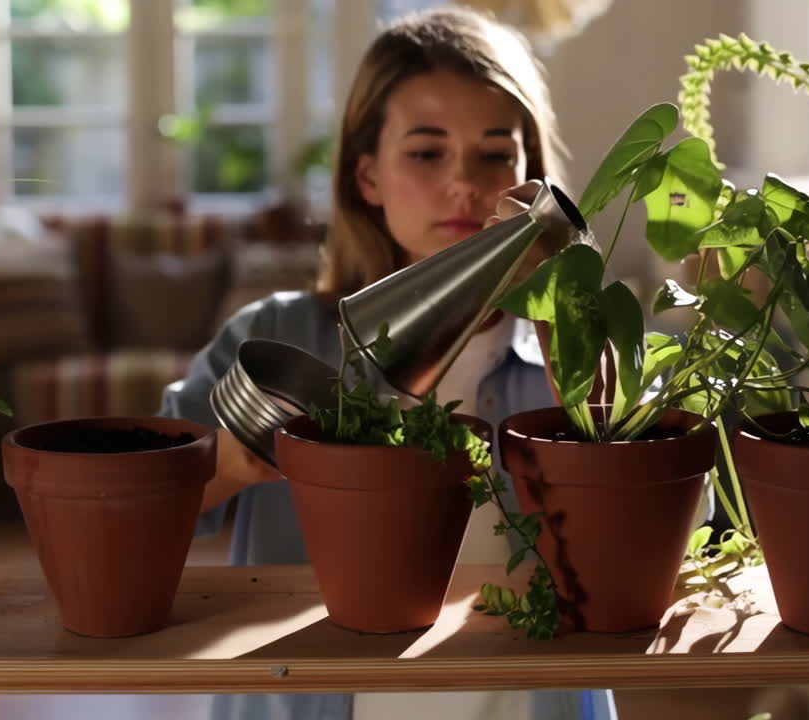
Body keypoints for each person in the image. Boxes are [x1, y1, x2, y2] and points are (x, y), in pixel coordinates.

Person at [158, 7, 617, 720]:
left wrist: (579, 358)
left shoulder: (581, 348)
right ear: (366, 175)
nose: (465, 184)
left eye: (496, 153)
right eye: (427, 153)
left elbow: (676, 536)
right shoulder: (279, 336)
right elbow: (131, 513)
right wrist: (238, 457)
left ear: (532, 175)